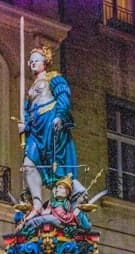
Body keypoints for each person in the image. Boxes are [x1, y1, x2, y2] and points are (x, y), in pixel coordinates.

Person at [19, 47, 86, 217]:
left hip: (50, 122)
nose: (33, 62)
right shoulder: (30, 89)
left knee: (57, 164)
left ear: (45, 62)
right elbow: (28, 111)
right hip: (36, 128)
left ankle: (75, 191)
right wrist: (25, 125)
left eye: (37, 59)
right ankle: (36, 204)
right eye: (31, 60)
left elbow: (63, 97)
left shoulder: (53, 78)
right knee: (28, 164)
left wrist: (60, 116)